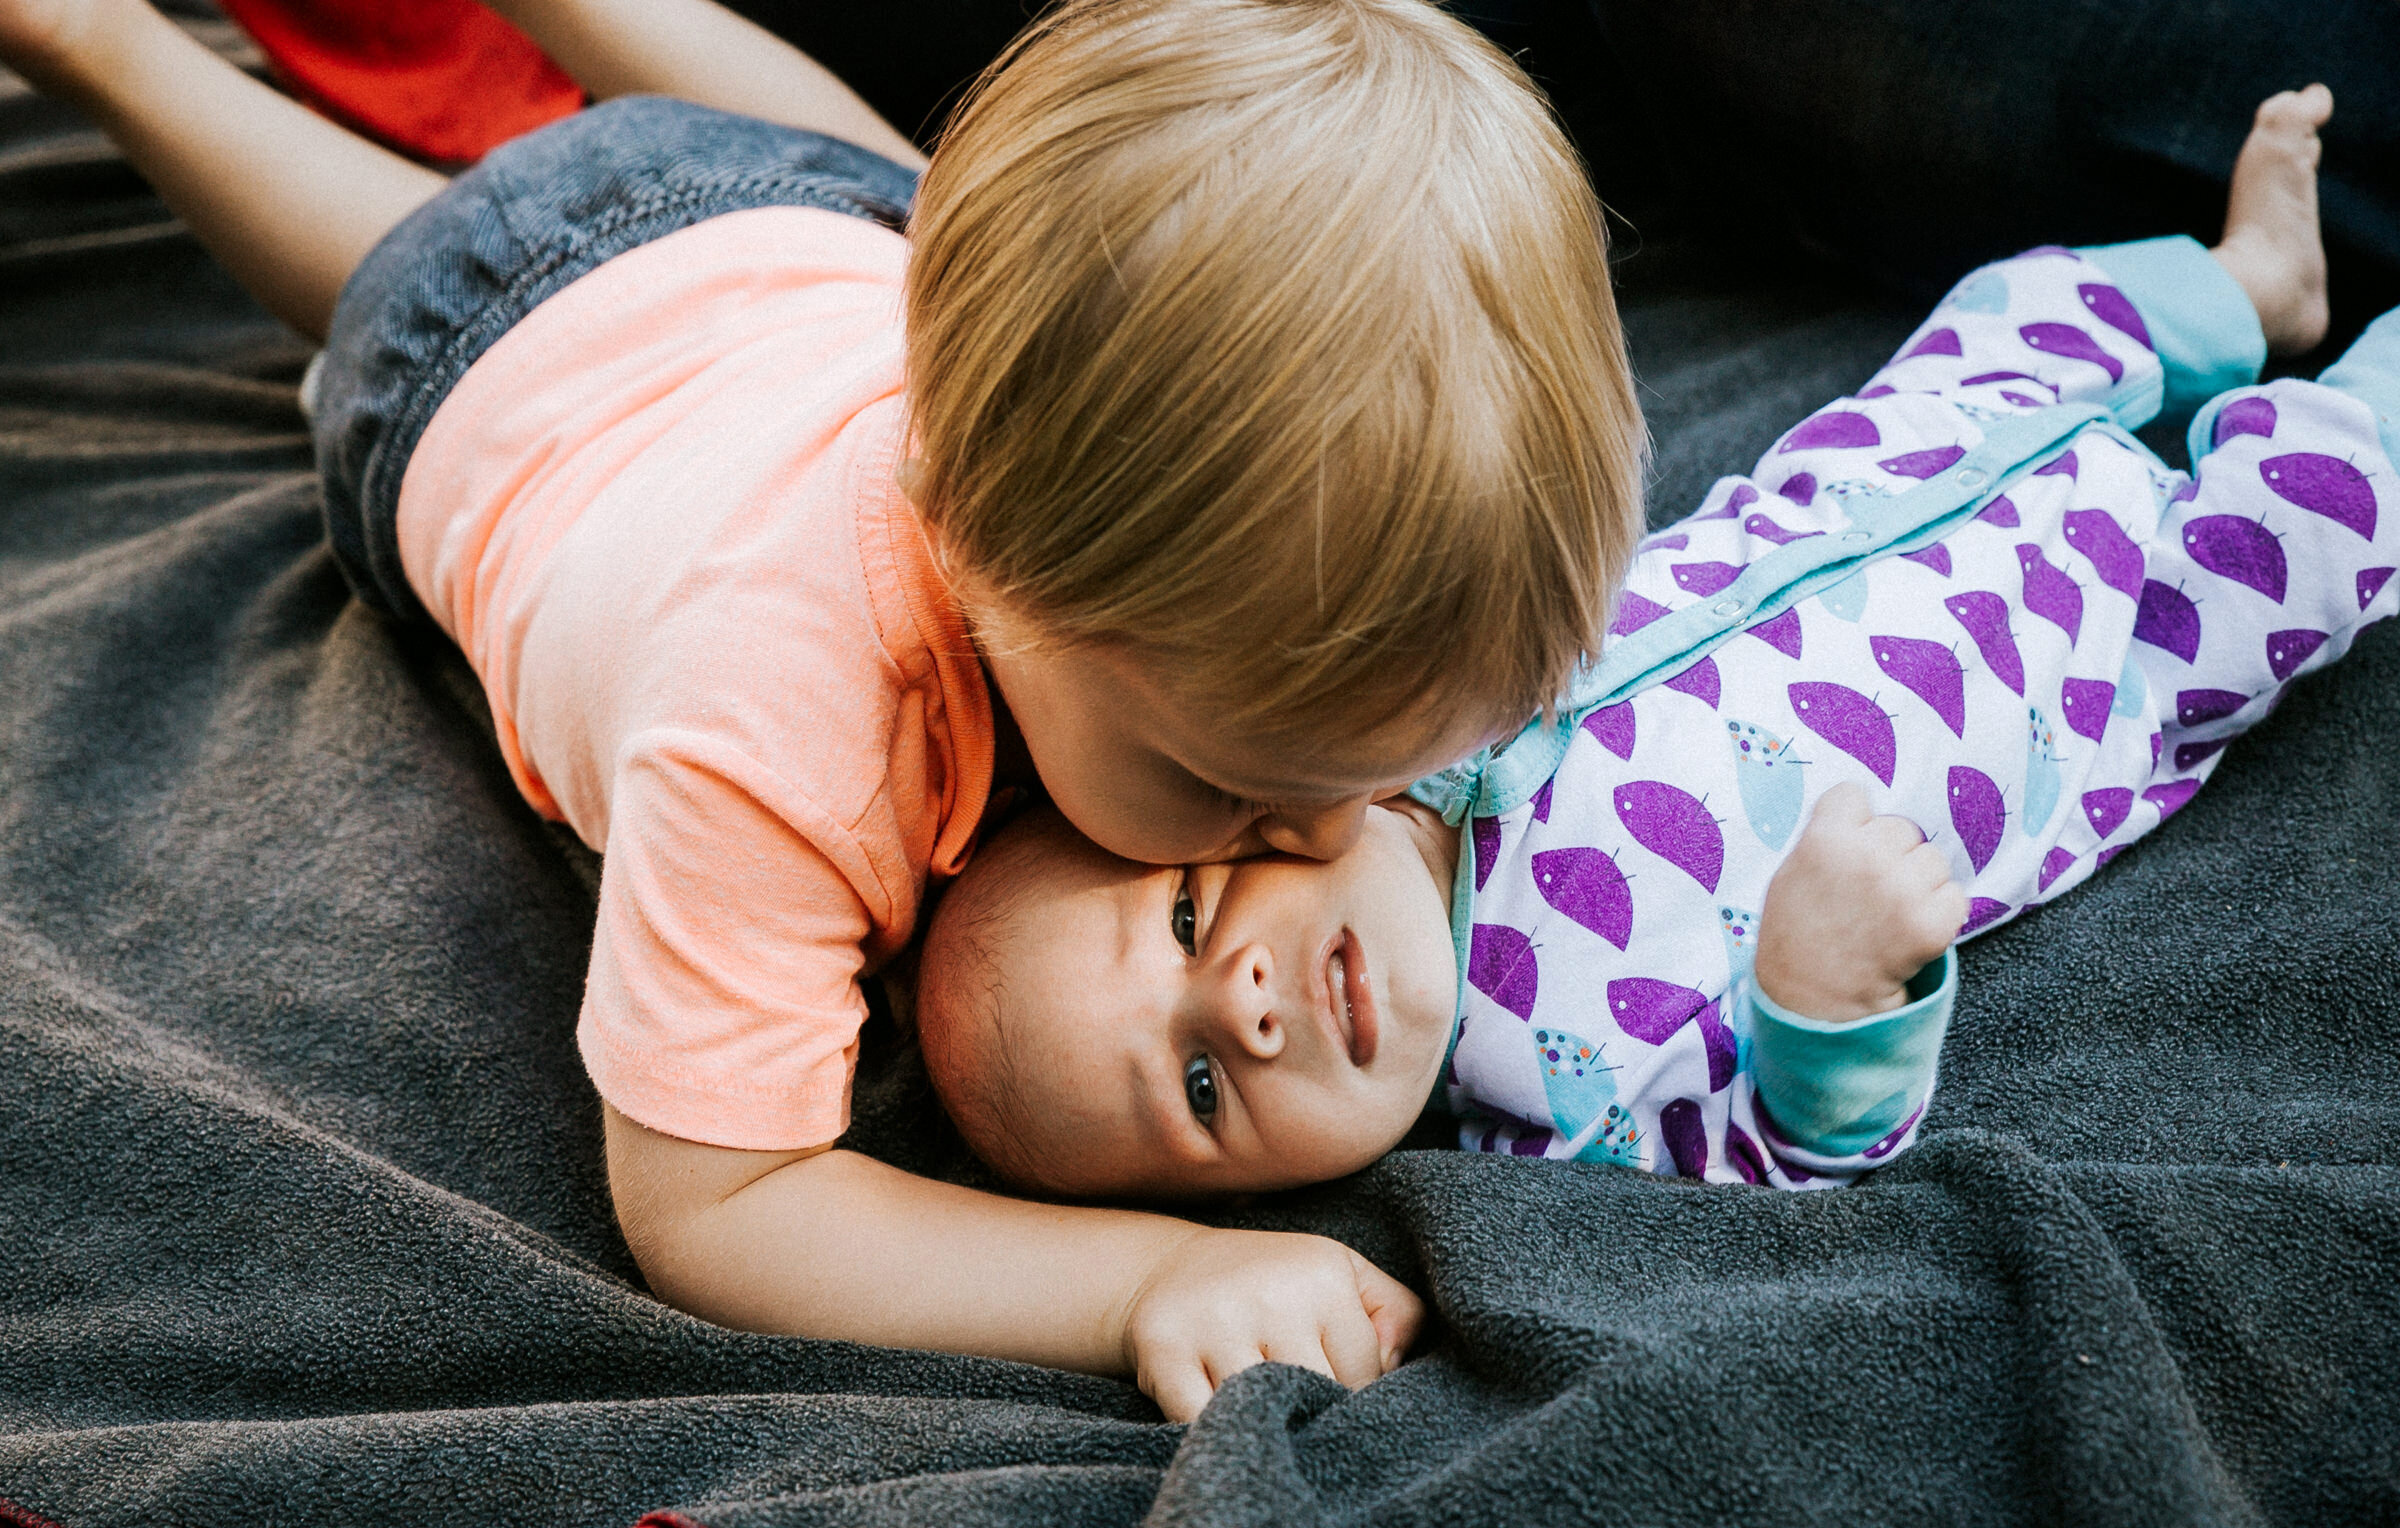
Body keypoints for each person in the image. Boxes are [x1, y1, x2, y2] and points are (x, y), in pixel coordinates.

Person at [0, 0, 1651, 1419]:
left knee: (891, 194)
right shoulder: (776, 737)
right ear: (986, 557)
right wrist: (1144, 1278)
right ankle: (110, 46)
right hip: (501, 359)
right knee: (382, 251)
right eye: (1242, 788)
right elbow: (717, 1202)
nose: (1324, 833)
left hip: (836, 234)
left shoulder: (1116, 496)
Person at [920, 88, 2399, 1218]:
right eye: (1193, 1088)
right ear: (1251, 1207)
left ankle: (2246, 286)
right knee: (2306, 527)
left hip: (1883, 470)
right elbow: (1773, 1157)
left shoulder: (1375, 727)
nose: (1241, 1006)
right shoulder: (1553, 1111)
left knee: (2007, 322)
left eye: (1185, 920)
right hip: (2099, 661)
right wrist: (1819, 1004)